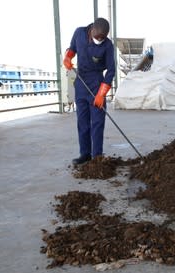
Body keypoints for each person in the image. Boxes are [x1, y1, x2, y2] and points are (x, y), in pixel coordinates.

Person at [63, 17, 116, 165]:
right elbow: (72, 48)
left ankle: (97, 156)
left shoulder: (108, 45)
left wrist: (101, 93)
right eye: (97, 37)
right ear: (92, 30)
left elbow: (111, 71)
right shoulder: (79, 33)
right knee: (83, 121)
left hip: (97, 83)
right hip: (80, 82)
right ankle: (84, 153)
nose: (99, 40)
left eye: (102, 38)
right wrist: (68, 58)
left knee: (97, 122)